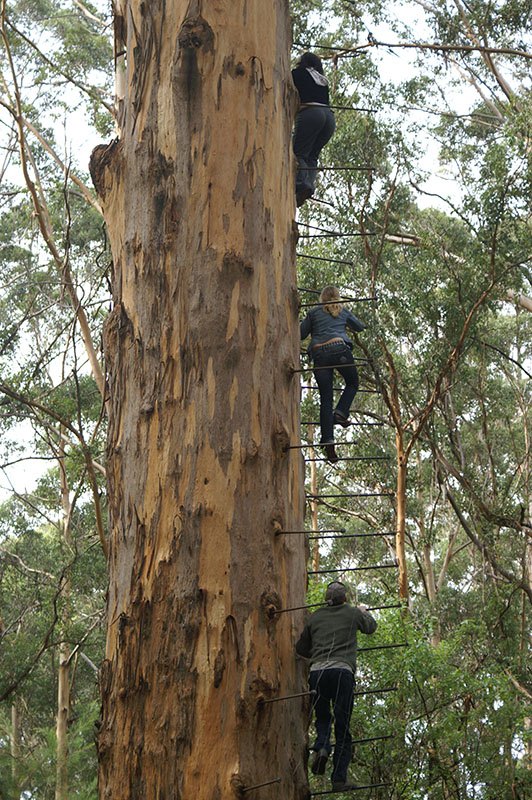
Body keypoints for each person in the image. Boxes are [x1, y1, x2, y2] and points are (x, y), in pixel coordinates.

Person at [295, 581, 377, 792]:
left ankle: (322, 747)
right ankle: (339, 779)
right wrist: (363, 612)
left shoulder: (315, 617)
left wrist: (317, 650)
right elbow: (371, 628)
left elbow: (301, 648)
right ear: (345, 598)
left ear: (326, 599)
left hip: (317, 673)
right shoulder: (352, 613)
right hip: (342, 672)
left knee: (322, 717)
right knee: (343, 727)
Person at [299, 286, 364, 463]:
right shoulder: (342, 311)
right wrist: (346, 319)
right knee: (352, 382)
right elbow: (359, 327)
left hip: (319, 354)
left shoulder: (313, 312)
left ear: (322, 298)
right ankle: (341, 412)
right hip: (339, 349)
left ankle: (328, 439)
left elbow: (301, 334)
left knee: (326, 399)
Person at [292, 52, 336, 207]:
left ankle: (301, 185)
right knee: (312, 156)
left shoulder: (297, 73)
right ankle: (309, 185)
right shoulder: (322, 80)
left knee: (298, 153)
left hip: (311, 113)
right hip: (329, 118)